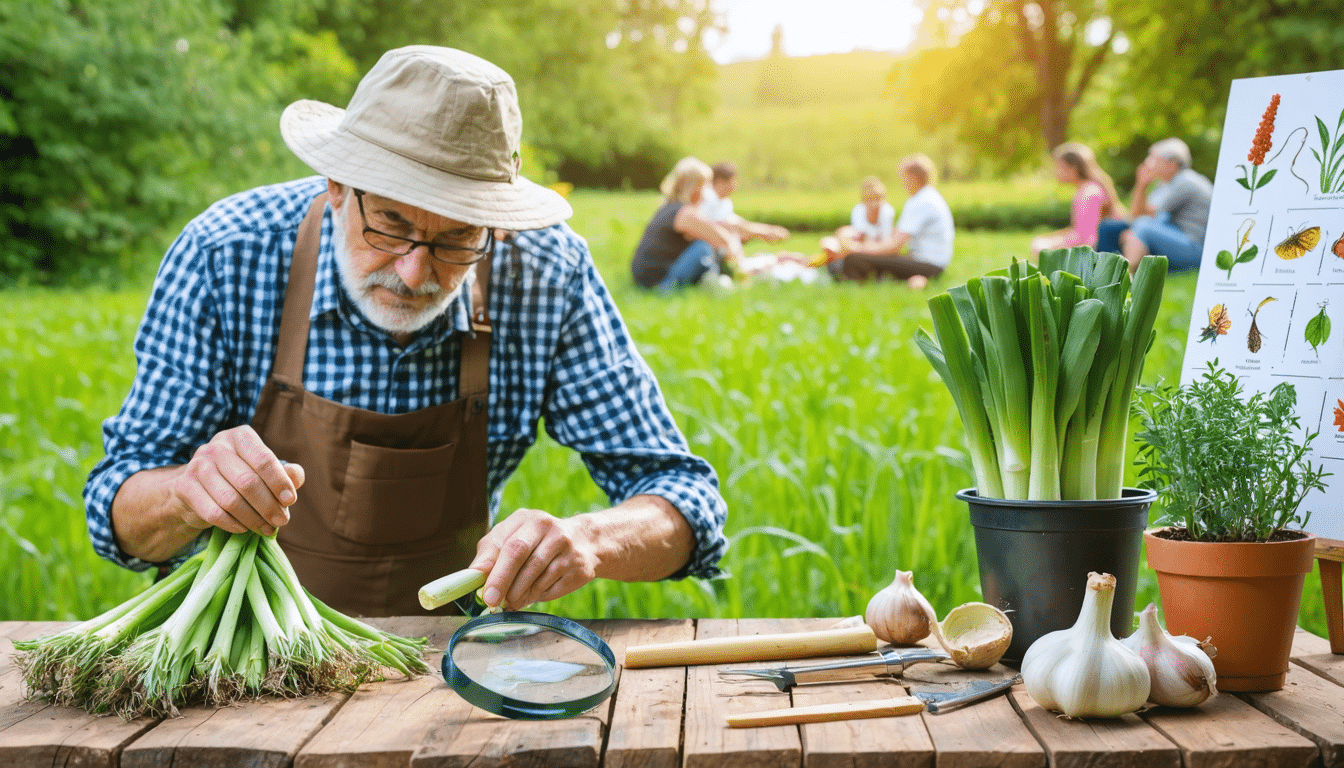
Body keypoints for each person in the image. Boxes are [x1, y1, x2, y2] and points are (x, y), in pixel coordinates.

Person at [84, 46, 728, 618]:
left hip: (442, 668)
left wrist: (590, 540)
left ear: (496, 225)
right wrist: (184, 494)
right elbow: (117, 510)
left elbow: (684, 500)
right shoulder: (228, 253)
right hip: (236, 661)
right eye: (389, 223)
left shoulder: (547, 275)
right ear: (338, 184)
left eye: (457, 238)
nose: (414, 269)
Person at [824, 154, 955, 288]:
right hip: (932, 264)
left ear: (913, 177)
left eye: (903, 178)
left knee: (854, 259)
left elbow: (894, 245)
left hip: (927, 265)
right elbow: (895, 238)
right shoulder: (928, 197)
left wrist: (858, 249)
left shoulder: (921, 201)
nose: (903, 183)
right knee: (869, 258)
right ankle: (910, 280)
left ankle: (856, 276)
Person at [1096, 138, 1212, 272]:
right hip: (1176, 237)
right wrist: (1142, 185)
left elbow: (1143, 219)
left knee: (1142, 225)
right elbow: (1135, 216)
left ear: (1171, 164)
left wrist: (1141, 185)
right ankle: (1106, 270)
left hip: (1195, 249)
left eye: (1154, 159)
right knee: (1111, 227)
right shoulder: (1165, 184)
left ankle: (1126, 273)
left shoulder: (1186, 182)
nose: (1148, 163)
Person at [631, 157, 744, 290]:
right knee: (703, 247)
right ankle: (724, 280)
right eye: (705, 187)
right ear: (695, 188)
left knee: (702, 247)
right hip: (659, 284)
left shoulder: (669, 207)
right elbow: (722, 240)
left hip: (646, 279)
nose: (706, 194)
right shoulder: (686, 213)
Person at [1029, 142, 1126, 254]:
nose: (1056, 172)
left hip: (1100, 251)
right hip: (1096, 246)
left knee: (1039, 247)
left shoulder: (1089, 193)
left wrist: (1053, 245)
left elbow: (1087, 238)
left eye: (1059, 166)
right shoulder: (1087, 189)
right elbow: (1080, 230)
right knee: (1040, 243)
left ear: (1073, 168)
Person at [699, 161, 790, 244]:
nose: (736, 185)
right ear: (720, 182)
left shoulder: (725, 201)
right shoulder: (707, 197)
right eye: (733, 180)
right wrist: (763, 233)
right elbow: (726, 225)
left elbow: (738, 222)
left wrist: (769, 230)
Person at [822, 176, 896, 255]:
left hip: (877, 246)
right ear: (863, 200)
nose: (874, 204)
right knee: (829, 241)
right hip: (861, 244)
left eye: (878, 198)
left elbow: (885, 239)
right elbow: (859, 234)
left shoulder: (887, 211)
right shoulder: (858, 209)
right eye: (869, 199)